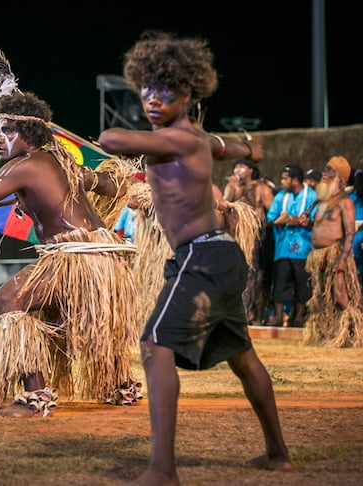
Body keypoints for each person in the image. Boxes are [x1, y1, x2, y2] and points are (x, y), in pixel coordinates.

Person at [98, 30, 292, 483]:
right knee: (243, 357)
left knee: (154, 345)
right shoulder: (198, 139)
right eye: (146, 89)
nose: (152, 99)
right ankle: (278, 454)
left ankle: (162, 470)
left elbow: (110, 138)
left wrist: (119, 135)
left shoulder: (180, 139)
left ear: (187, 92)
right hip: (218, 258)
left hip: (201, 257)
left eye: (164, 91)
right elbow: (230, 148)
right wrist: (249, 147)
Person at [0, 90, 140, 416]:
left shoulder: (25, 164)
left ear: (28, 134)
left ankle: (36, 396)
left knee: (8, 300)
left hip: (77, 258)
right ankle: (119, 384)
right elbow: (113, 187)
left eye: (7, 131)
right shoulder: (61, 162)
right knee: (70, 318)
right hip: (102, 258)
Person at [302, 156, 363, 347]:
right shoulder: (322, 201)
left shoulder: (344, 202)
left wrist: (343, 259)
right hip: (318, 256)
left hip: (335, 254)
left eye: (330, 172)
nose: (325, 174)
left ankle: (354, 333)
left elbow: (350, 233)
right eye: (326, 170)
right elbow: (321, 228)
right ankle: (328, 333)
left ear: (341, 179)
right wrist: (308, 223)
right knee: (320, 298)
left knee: (341, 297)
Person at [222, 158, 275, 325]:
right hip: (235, 238)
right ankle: (234, 312)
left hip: (256, 240)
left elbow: (272, 212)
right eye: (236, 166)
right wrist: (232, 189)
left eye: (242, 166)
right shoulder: (232, 187)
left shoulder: (261, 188)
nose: (238, 170)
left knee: (255, 276)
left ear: (251, 170)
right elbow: (224, 206)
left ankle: (255, 313)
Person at [266, 164, 317, 327]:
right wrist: (279, 221)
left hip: (304, 249)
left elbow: (319, 220)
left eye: (285, 178)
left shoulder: (312, 196)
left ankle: (299, 318)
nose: (282, 181)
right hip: (283, 249)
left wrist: (306, 222)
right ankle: (279, 317)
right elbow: (271, 218)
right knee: (280, 283)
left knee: (303, 284)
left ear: (295, 180)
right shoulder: (281, 196)